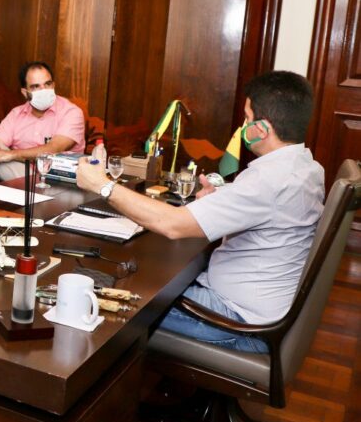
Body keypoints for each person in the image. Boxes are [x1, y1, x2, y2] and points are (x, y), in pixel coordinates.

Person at [76, 71, 325, 353]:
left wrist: (102, 185)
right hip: (256, 308)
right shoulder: (306, 166)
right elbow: (269, 211)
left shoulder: (269, 180)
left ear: (262, 129)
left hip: (237, 322)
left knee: (101, 299)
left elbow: (172, 225)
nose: (243, 126)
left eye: (246, 118)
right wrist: (224, 199)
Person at [0, 61, 85, 180]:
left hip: (61, 177)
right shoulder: (16, 114)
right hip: (23, 174)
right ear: (25, 93)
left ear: (53, 85)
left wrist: (10, 155)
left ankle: (32, 187)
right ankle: (32, 187)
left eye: (47, 84)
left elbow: (53, 149)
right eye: (35, 86)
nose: (43, 90)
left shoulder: (71, 112)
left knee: (2, 158)